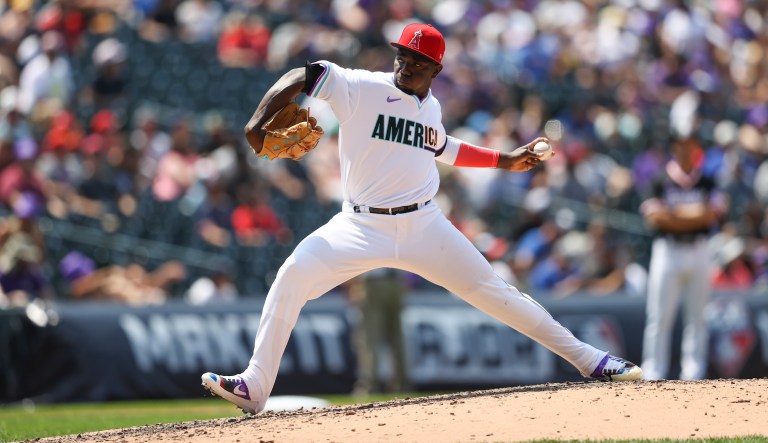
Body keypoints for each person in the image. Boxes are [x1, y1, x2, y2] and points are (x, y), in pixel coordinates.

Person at [202, 23, 642, 414]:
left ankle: (592, 362)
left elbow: (444, 147)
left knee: (497, 293)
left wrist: (504, 161)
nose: (406, 64)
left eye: (418, 60)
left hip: (424, 225)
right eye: (403, 55)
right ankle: (255, 385)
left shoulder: (430, 108)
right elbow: (305, 74)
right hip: (359, 226)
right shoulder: (362, 87)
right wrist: (257, 123)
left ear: (436, 70)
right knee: (292, 274)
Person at [639, 135, 728, 380]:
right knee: (659, 315)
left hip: (699, 249)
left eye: (690, 144)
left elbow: (713, 215)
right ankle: (653, 371)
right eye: (681, 144)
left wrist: (675, 216)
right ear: (674, 147)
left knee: (698, 315)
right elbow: (654, 218)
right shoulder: (661, 178)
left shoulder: (707, 180)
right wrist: (694, 215)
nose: (686, 149)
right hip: (668, 250)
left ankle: (693, 371)